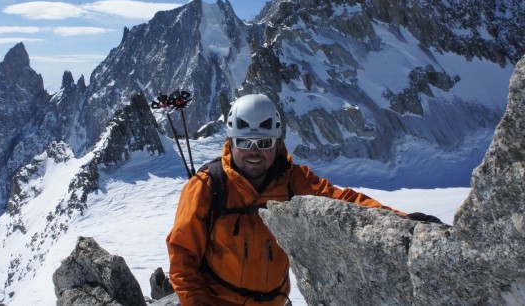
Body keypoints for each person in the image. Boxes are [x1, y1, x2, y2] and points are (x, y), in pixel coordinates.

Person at [166, 93, 413, 306]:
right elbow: (182, 259)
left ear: (277, 142)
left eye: (263, 142)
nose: (254, 151)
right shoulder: (207, 187)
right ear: (230, 143)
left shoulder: (293, 181)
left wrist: (402, 222)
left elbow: (343, 203)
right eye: (244, 142)